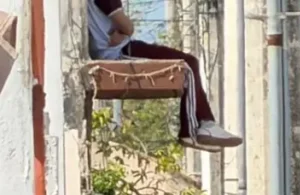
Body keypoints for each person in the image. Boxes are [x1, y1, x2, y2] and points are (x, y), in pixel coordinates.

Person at [87, 0, 241, 151]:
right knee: (187, 65)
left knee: (188, 63)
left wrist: (122, 32)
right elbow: (127, 26)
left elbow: (119, 28)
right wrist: (125, 31)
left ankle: (201, 126)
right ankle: (197, 127)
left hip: (119, 49)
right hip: (119, 53)